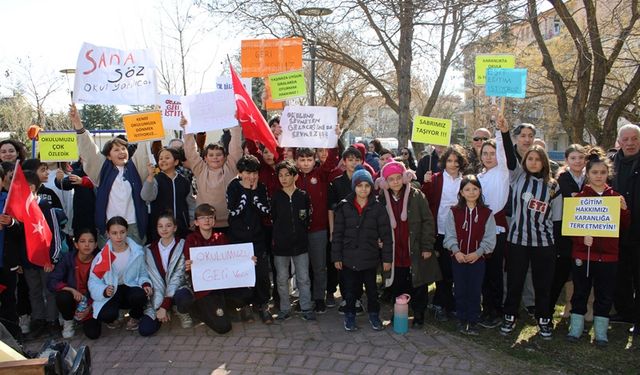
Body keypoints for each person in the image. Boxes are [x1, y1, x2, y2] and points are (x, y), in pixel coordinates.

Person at [498, 118, 562, 339]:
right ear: (525, 161)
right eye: (530, 159)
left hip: (544, 244)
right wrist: (505, 132)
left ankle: (544, 319)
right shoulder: (517, 177)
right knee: (515, 281)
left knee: (542, 283)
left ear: (544, 162)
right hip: (517, 241)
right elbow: (508, 154)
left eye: (538, 159)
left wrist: (556, 246)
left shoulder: (553, 186)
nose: (534, 162)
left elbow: (556, 219)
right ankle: (510, 315)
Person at [566, 147, 630, 346]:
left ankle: (601, 331)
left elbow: (623, 227)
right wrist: (580, 238)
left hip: (609, 257)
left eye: (603, 172)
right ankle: (576, 328)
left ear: (608, 174)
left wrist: (624, 211)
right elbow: (572, 227)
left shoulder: (615, 198)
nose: (599, 176)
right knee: (580, 292)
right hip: (583, 255)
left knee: (605, 294)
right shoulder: (579, 198)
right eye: (595, 172)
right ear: (588, 174)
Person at [70, 104, 150, 245]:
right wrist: (78, 124)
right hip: (109, 226)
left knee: (135, 263)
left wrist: (152, 122)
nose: (121, 152)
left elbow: (144, 149)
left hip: (133, 226)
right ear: (108, 156)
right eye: (116, 150)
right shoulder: (103, 170)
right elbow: (89, 150)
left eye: (123, 148)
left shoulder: (134, 167)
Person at [376, 161, 440, 328]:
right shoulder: (382, 199)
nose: (395, 182)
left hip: (415, 248)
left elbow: (427, 221)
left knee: (418, 284)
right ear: (385, 181)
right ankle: (399, 314)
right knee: (397, 284)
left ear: (405, 178)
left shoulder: (416, 195)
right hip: (395, 251)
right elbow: (377, 223)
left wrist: (427, 246)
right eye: (391, 179)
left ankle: (419, 315)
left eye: (398, 178)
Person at [332, 166, 392, 331]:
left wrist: (387, 259)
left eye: (367, 185)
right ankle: (349, 316)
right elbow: (337, 234)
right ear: (354, 187)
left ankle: (374, 315)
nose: (363, 189)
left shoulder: (378, 207)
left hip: (370, 258)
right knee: (350, 291)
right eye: (359, 185)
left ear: (371, 187)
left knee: (372, 292)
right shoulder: (344, 207)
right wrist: (336, 257)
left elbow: (386, 235)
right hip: (349, 258)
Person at [183, 204, 252, 334]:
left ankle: (221, 307)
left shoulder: (221, 237)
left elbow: (232, 261)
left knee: (246, 295)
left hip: (221, 285)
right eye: (202, 218)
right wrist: (188, 265)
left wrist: (248, 261)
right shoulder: (191, 239)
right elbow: (189, 264)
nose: (207, 220)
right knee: (223, 327)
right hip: (204, 289)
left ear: (214, 220)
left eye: (210, 217)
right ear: (196, 222)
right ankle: (197, 309)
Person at [444, 175, 496, 335]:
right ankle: (461, 318)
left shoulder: (487, 213)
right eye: (467, 189)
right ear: (461, 192)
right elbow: (449, 235)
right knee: (460, 289)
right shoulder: (454, 212)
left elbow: (489, 238)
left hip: (477, 259)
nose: (471, 192)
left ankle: (473, 320)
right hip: (458, 258)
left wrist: (478, 253)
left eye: (475, 189)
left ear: (480, 191)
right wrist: (456, 251)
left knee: (474, 290)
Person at [421, 145, 468, 321]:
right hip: (439, 230)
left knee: (452, 270)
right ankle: (440, 303)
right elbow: (426, 199)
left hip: (458, 232)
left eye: (457, 161)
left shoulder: (465, 180)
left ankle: (447, 302)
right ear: (444, 161)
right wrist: (426, 183)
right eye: (449, 160)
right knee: (441, 270)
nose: (453, 164)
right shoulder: (436, 178)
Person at [20, 170, 67, 339]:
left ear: (32, 187)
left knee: (49, 291)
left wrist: (53, 258)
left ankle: (52, 321)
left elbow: (55, 234)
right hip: (28, 261)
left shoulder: (46, 208)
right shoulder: (19, 209)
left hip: (46, 260)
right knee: (34, 291)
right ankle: (38, 321)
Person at [88, 216, 152, 338]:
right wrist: (103, 291)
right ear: (108, 234)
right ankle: (115, 317)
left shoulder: (137, 252)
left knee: (140, 295)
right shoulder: (102, 257)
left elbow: (143, 273)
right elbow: (93, 281)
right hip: (112, 291)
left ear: (127, 231)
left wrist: (146, 284)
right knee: (106, 315)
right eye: (114, 233)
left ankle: (135, 316)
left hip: (130, 288)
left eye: (122, 232)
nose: (119, 236)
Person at [226, 155, 273, 324]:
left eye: (254, 173)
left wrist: (253, 192)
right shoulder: (233, 187)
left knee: (261, 273)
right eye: (247, 172)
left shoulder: (260, 187)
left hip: (258, 237)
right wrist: (246, 192)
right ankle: (245, 305)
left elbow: (265, 210)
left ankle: (262, 304)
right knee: (242, 273)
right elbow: (233, 212)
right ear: (240, 173)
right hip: (238, 238)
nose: (251, 176)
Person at [295, 146, 339, 312]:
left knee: (319, 266)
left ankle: (319, 298)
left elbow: (331, 160)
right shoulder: (293, 176)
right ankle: (304, 298)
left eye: (309, 160)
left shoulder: (321, 174)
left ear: (315, 160)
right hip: (298, 231)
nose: (306, 164)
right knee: (302, 268)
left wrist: (334, 141)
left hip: (318, 229)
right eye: (302, 160)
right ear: (297, 161)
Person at [181, 117, 242, 231]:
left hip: (230, 223)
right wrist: (186, 129)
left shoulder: (231, 168)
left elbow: (235, 149)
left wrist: (236, 126)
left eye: (218, 155)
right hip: (205, 224)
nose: (215, 157)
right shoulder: (200, 169)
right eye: (211, 155)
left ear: (225, 158)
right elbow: (191, 152)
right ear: (205, 158)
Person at [271, 161, 314, 321]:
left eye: (287, 175)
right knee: (281, 279)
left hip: (300, 244)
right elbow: (273, 218)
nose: (283, 178)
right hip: (280, 246)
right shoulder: (276, 197)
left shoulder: (303, 196)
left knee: (303, 278)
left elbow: (306, 218)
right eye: (280, 175)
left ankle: (306, 307)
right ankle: (284, 308)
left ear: (295, 176)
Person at [476, 129, 510, 329]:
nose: (489, 157)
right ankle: (485, 307)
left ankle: (496, 310)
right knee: (483, 271)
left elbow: (505, 153)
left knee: (495, 272)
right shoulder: (479, 176)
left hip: (496, 229)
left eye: (492, 153)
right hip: (480, 228)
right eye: (485, 154)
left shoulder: (502, 172)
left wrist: (500, 130)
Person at [139, 213, 193, 336]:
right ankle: (165, 309)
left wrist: (164, 305)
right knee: (145, 330)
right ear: (157, 228)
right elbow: (146, 275)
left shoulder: (183, 245)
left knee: (183, 296)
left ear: (175, 228)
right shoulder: (148, 249)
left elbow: (177, 278)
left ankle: (180, 310)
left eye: (168, 226)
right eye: (160, 226)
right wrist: (159, 306)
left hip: (179, 288)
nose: (164, 229)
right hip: (158, 294)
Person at [328, 147, 367, 314]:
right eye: (350, 159)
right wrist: (332, 231)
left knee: (359, 265)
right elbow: (330, 210)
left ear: (361, 162)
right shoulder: (336, 182)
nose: (353, 163)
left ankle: (357, 298)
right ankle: (346, 298)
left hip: (363, 231)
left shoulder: (365, 181)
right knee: (344, 267)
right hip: (342, 232)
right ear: (344, 162)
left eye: (356, 160)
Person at [611, 124, 640, 338]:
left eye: (634, 139)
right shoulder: (611, 164)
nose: (630, 143)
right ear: (619, 142)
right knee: (620, 275)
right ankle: (625, 313)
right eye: (626, 139)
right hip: (617, 231)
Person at [550, 144, 586, 318]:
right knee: (560, 273)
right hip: (563, 232)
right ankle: (547, 311)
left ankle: (577, 311)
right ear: (566, 160)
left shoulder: (590, 176)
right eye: (573, 158)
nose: (577, 161)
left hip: (586, 232)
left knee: (581, 275)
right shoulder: (562, 178)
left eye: (580, 158)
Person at [47, 228, 101, 339]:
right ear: (76, 244)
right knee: (63, 296)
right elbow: (52, 281)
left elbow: (104, 288)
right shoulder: (68, 259)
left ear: (96, 245)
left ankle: (86, 318)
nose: (87, 245)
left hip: (91, 303)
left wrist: (90, 308)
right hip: (73, 300)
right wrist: (71, 289)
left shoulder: (100, 260)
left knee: (93, 334)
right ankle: (68, 320)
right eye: (82, 241)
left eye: (90, 241)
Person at [141, 147, 195, 241]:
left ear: (176, 162)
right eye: (160, 158)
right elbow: (146, 196)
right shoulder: (155, 179)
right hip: (160, 227)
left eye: (167, 158)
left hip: (180, 225)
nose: (163, 161)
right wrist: (150, 176)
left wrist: (191, 219)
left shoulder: (184, 181)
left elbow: (190, 202)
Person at [0, 166, 23, 339]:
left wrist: (11, 223)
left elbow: (23, 229)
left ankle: (15, 342)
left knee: (9, 304)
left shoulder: (10, 201)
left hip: (6, 264)